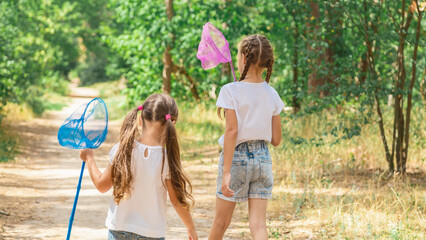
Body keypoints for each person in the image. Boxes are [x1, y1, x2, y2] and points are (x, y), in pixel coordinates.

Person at [79, 93, 198, 240]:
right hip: (151, 234)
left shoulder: (121, 150)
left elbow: (102, 185)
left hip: (118, 231)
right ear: (171, 125)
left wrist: (89, 158)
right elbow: (176, 201)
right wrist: (190, 227)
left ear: (140, 119)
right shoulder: (167, 159)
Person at [208, 35, 284, 240]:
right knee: (258, 226)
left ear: (243, 58)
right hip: (263, 159)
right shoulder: (272, 93)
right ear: (267, 61)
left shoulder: (230, 91)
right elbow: (276, 140)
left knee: (220, 222)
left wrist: (226, 172)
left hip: (237, 160)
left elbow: (232, 131)